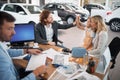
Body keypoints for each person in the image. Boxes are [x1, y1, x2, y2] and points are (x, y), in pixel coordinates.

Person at [0, 11, 46, 80]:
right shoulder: (1, 59)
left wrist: (27, 50)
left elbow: (7, 52)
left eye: (13, 28)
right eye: (9, 29)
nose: (14, 32)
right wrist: (36, 73)